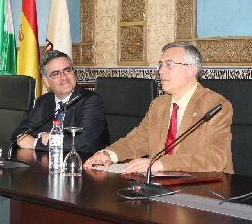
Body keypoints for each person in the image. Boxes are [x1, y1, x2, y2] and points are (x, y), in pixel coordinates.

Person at [84, 42, 234, 174]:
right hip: (160, 185)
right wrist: (109, 154)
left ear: (191, 70)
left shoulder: (215, 106)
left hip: (206, 191)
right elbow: (138, 140)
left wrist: (161, 164)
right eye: (161, 65)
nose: (161, 70)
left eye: (169, 65)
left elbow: (216, 157)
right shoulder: (159, 104)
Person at [12, 50, 109, 154]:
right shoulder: (44, 101)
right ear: (46, 81)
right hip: (49, 164)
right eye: (56, 74)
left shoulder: (91, 101)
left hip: (85, 164)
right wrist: (42, 135)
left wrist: (35, 142)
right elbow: (19, 133)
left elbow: (83, 142)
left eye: (67, 71)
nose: (64, 77)